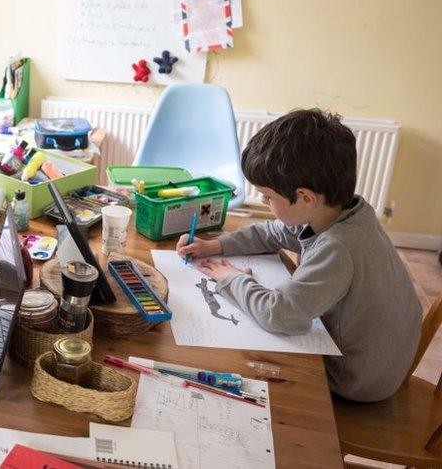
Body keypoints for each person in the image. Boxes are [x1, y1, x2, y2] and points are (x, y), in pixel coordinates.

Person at [177, 109, 421, 402]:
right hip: (380, 361)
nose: (264, 203)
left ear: (306, 198)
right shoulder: (343, 211)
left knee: (242, 367)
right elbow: (275, 232)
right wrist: (215, 246)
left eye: (268, 197)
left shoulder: (338, 246)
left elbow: (278, 315)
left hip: (356, 380)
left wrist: (232, 277)